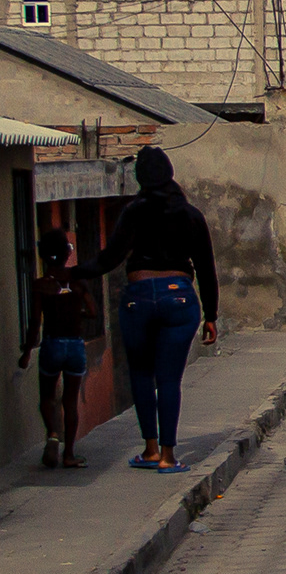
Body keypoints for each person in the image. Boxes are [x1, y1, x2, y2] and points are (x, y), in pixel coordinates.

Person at [71, 147, 218, 474]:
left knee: (140, 373)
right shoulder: (191, 214)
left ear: (140, 178)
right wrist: (211, 316)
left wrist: (73, 273)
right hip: (179, 298)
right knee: (169, 379)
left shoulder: (133, 212)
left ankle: (149, 449)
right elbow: (206, 268)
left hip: (138, 297)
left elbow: (109, 259)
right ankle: (169, 457)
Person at [18, 228, 96, 468]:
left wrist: (28, 351)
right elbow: (93, 312)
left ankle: (52, 435)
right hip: (74, 346)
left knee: (47, 397)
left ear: (42, 256)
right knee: (70, 402)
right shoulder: (78, 282)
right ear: (66, 254)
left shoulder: (40, 285)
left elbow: (34, 323)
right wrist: (77, 312)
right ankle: (70, 454)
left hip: (51, 344)